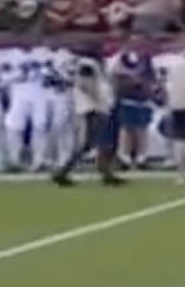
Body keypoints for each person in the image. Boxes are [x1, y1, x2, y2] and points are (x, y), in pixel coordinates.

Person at [47, 48, 126, 186]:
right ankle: (64, 172)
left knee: (98, 143)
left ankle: (104, 173)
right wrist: (98, 100)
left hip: (97, 108)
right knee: (91, 144)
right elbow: (85, 84)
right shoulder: (88, 64)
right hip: (93, 109)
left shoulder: (94, 66)